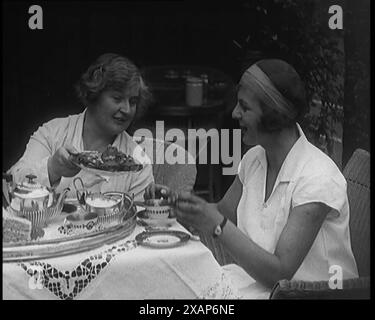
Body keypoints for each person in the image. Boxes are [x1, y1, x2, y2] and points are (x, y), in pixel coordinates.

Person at [144, 59, 359, 298]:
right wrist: (178, 206)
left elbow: (280, 273)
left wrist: (216, 224)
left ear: (273, 116)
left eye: (245, 107)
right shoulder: (255, 158)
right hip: (256, 286)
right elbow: (223, 212)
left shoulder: (317, 178)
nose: (235, 113)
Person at [9, 53, 154, 201]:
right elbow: (12, 184)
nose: (127, 109)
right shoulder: (52, 133)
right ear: (94, 94)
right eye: (117, 98)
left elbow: (141, 221)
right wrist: (52, 168)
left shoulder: (137, 162)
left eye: (133, 101)